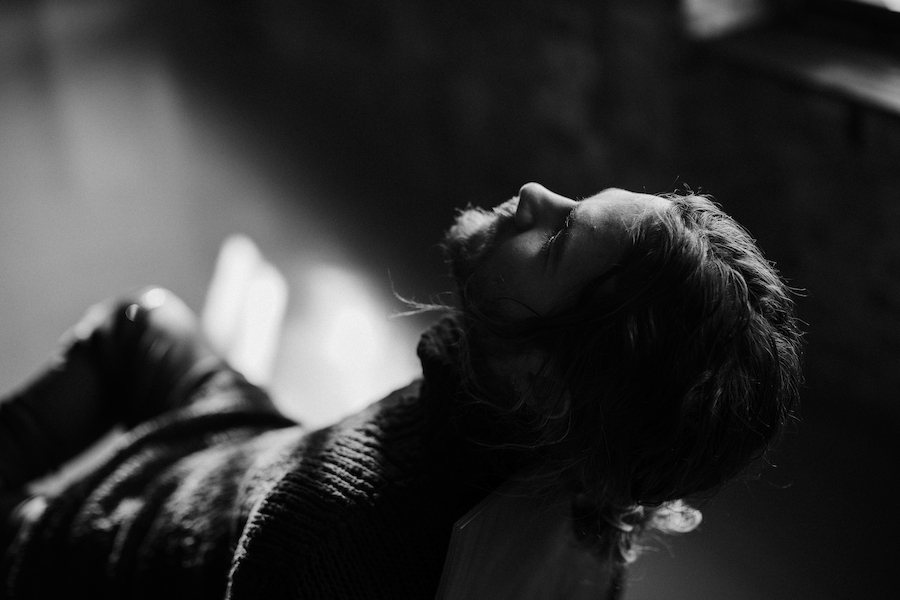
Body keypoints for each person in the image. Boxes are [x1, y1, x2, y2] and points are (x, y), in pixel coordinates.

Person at [0, 182, 802, 599]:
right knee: (144, 328)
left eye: (560, 237)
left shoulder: (327, 541)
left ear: (550, 383)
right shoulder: (590, 507)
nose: (536, 193)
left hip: (80, 553)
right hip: (247, 462)